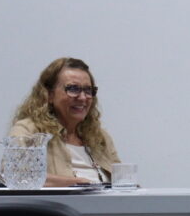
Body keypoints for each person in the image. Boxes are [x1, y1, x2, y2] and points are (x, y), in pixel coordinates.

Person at [10, 57, 120, 187]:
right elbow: (18, 176)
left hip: (107, 206)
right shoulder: (28, 131)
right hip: (57, 206)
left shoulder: (99, 137)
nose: (83, 97)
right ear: (49, 95)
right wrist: (79, 184)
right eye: (73, 89)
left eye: (88, 90)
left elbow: (123, 179)